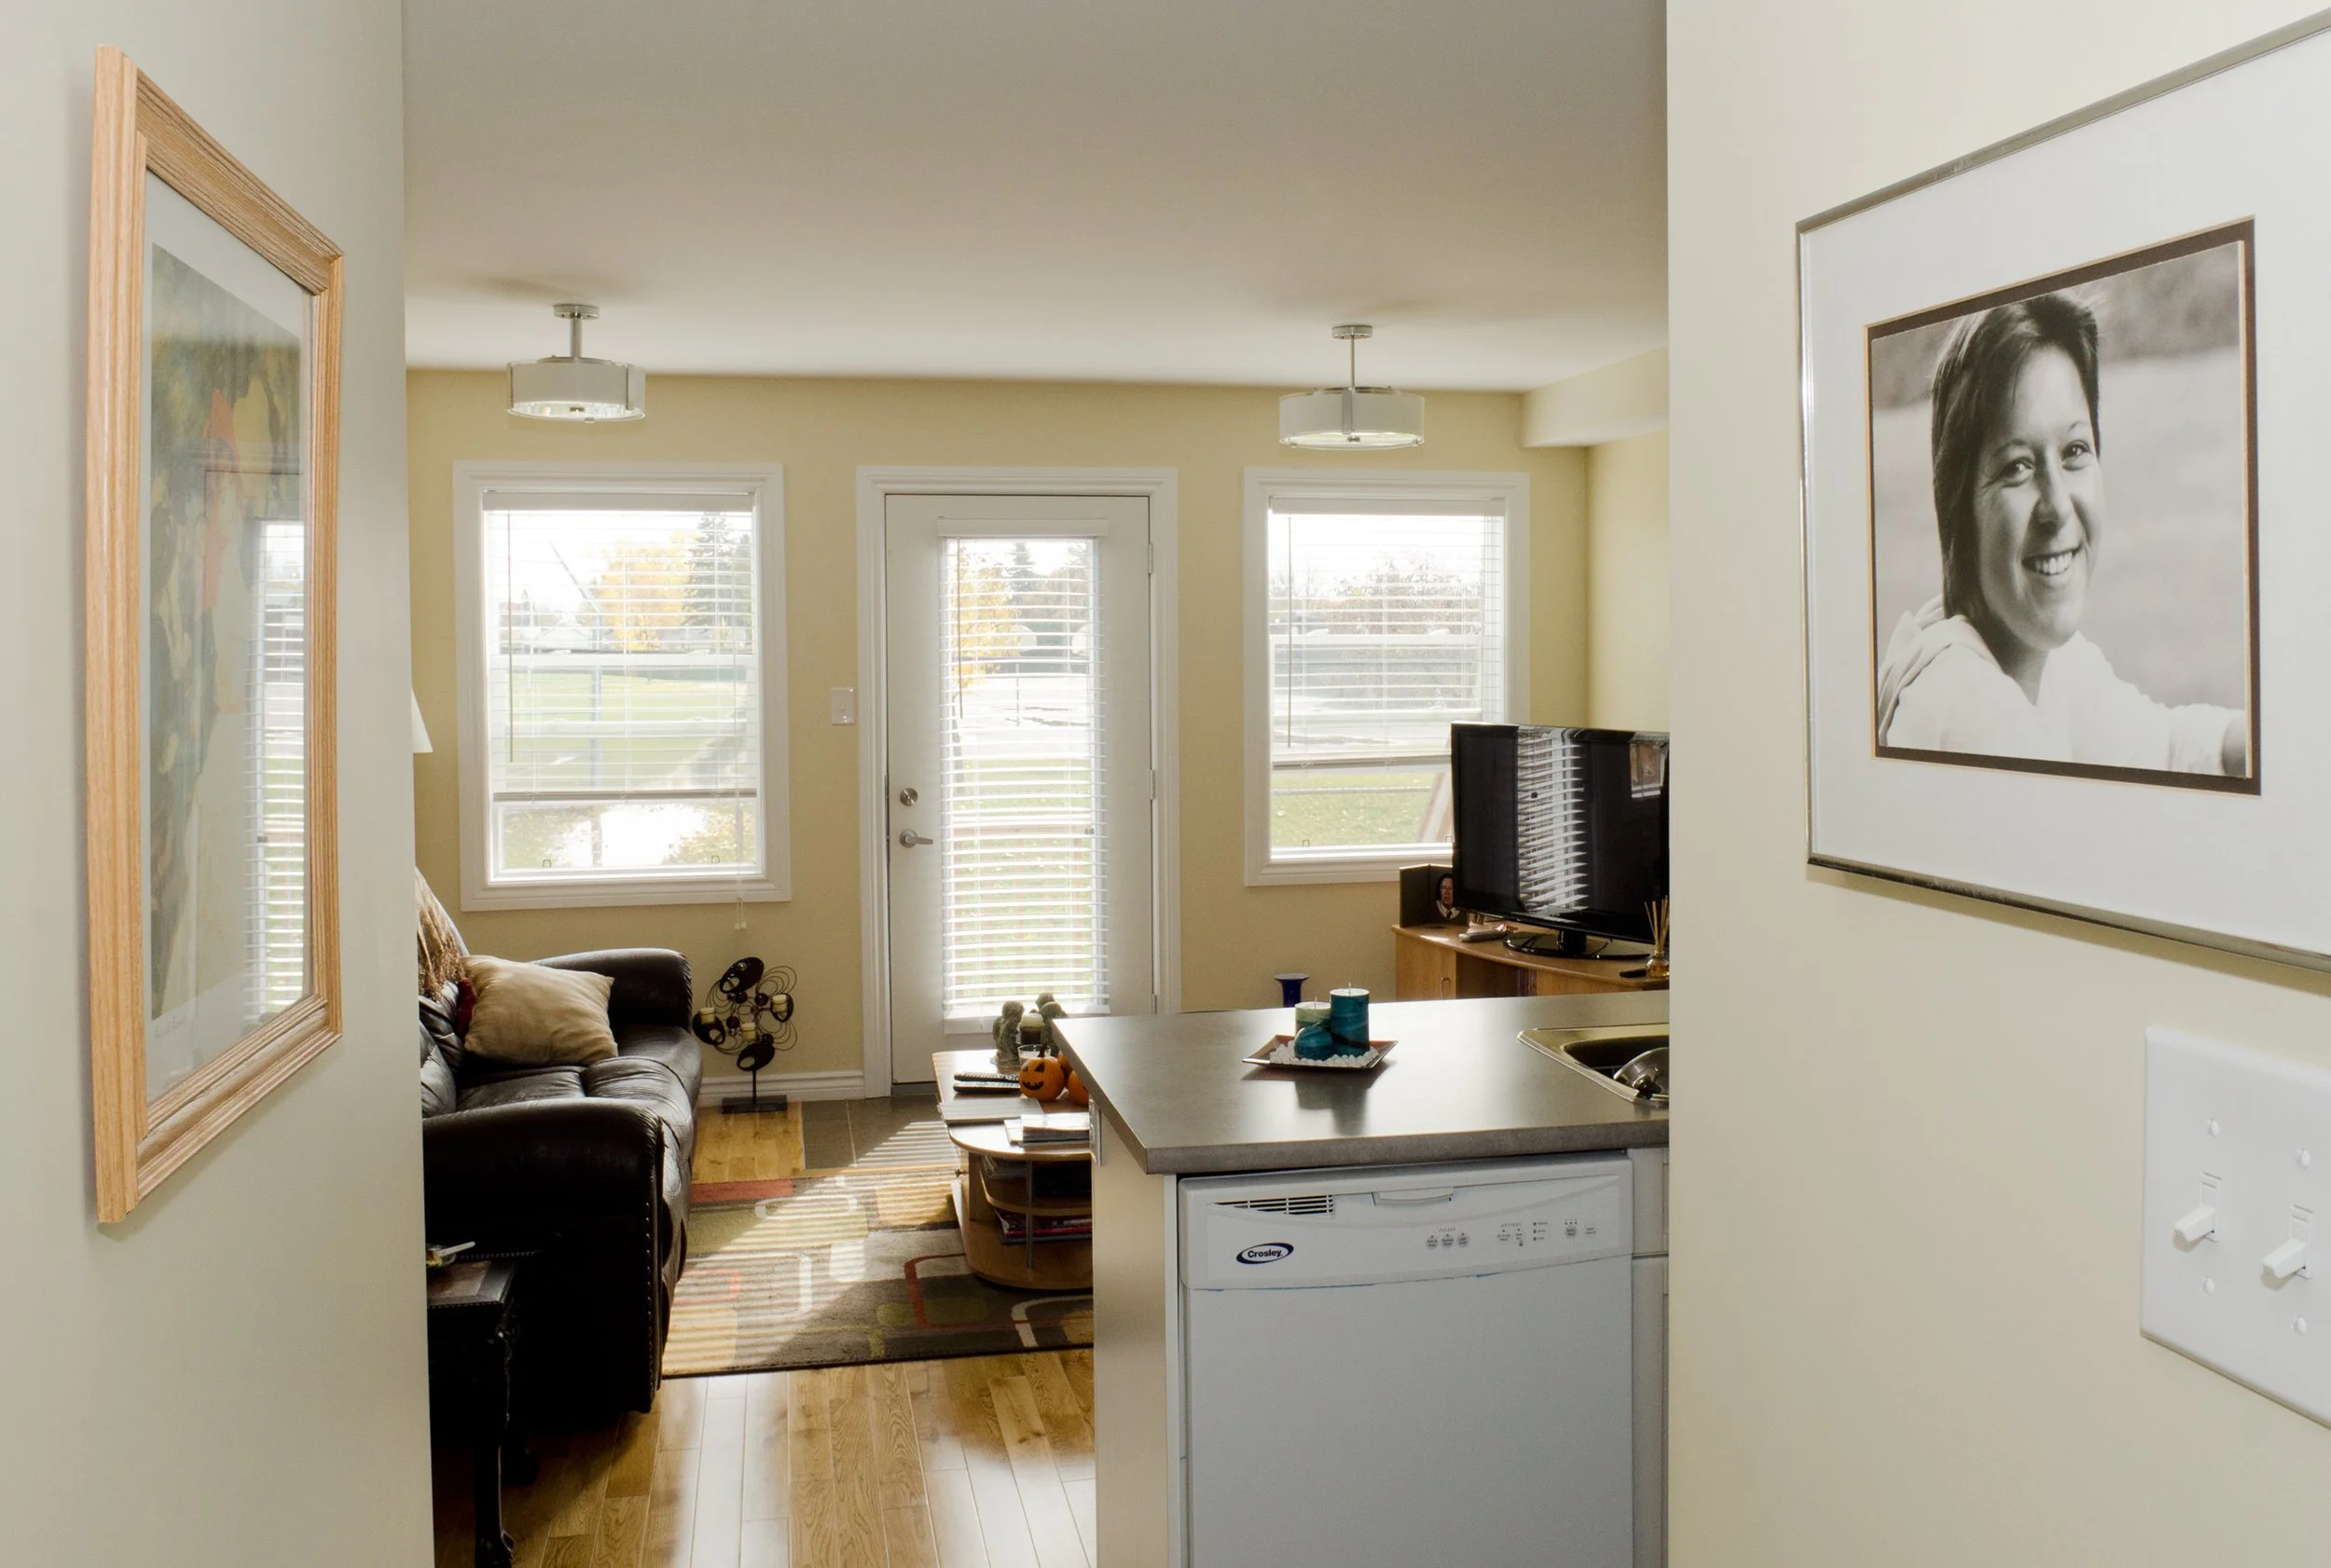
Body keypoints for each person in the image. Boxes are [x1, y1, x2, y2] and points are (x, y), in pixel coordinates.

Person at [1876, 293, 2246, 776]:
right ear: (1958, 507)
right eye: (2016, 467)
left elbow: (2168, 748)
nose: (2056, 506)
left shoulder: (2044, 662)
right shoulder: (1966, 708)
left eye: (2074, 450)